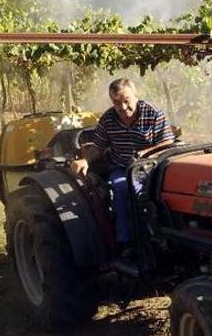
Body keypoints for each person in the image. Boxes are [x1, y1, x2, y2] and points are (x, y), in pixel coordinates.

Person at [70, 78, 174, 250]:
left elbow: (168, 142)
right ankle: (128, 242)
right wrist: (85, 160)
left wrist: (146, 154)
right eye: (117, 103)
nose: (123, 107)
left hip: (151, 168)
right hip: (122, 168)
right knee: (121, 187)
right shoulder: (108, 119)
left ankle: (159, 234)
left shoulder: (153, 113)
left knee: (155, 192)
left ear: (136, 96)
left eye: (126, 101)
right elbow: (98, 147)